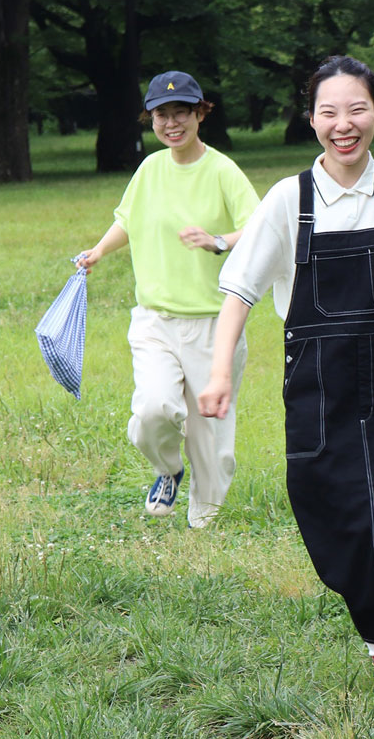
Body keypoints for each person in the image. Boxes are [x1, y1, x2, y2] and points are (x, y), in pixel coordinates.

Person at [198, 56, 374, 696]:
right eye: (329, 112)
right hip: (320, 383)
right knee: (335, 515)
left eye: (357, 109)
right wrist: (219, 373)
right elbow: (239, 289)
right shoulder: (289, 199)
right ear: (310, 117)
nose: (343, 125)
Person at [77, 70, 259, 528]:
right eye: (162, 114)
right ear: (150, 118)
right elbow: (127, 219)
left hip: (214, 324)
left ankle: (204, 524)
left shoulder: (221, 170)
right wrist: (99, 250)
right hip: (155, 318)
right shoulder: (149, 170)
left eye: (182, 112)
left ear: (201, 114)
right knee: (153, 410)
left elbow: (259, 228)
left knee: (210, 435)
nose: (172, 123)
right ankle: (167, 468)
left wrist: (217, 240)